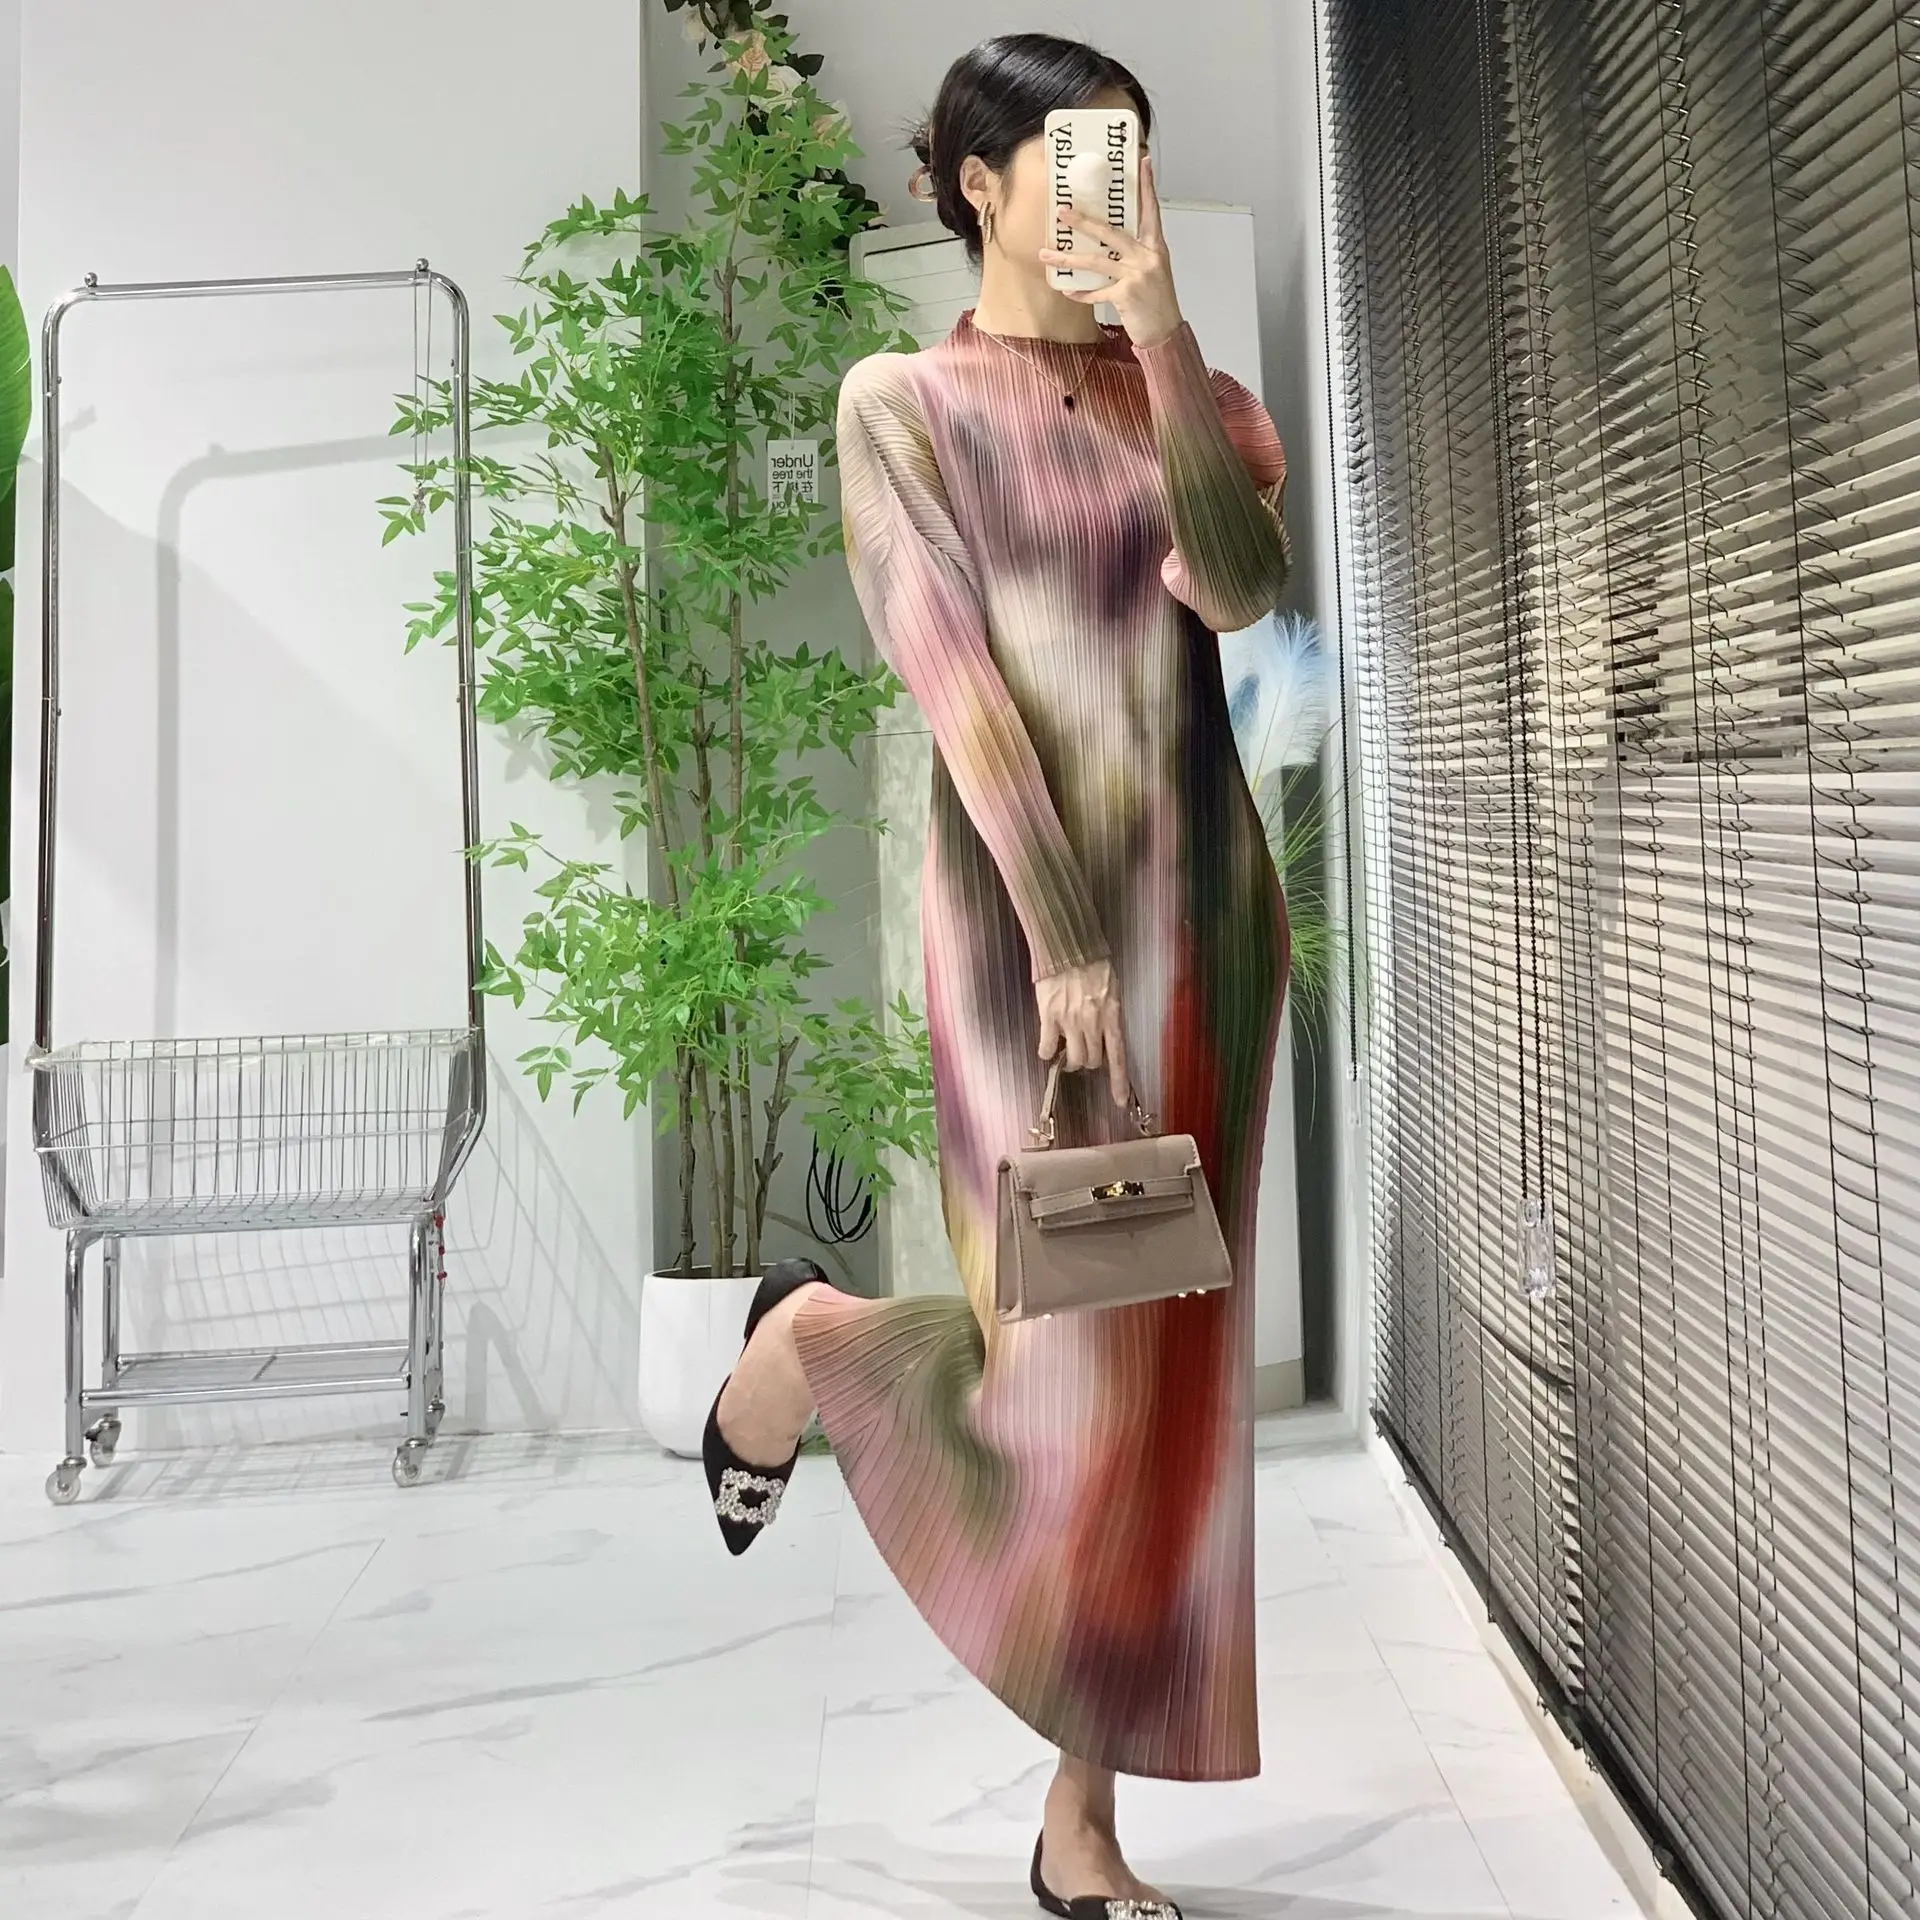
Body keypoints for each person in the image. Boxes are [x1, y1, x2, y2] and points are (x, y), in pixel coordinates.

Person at [701, 31, 1291, 1920]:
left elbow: (1241, 588)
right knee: (1056, 1365)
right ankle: (808, 1346)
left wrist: (1163, 335)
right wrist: (1056, 927)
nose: (1110, 185)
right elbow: (950, 674)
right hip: (1023, 939)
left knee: (1163, 1393)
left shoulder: (1198, 396)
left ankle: (1081, 1821)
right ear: (978, 181)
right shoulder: (903, 402)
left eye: (1131, 153)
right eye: (1076, 153)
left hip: (1207, 929)